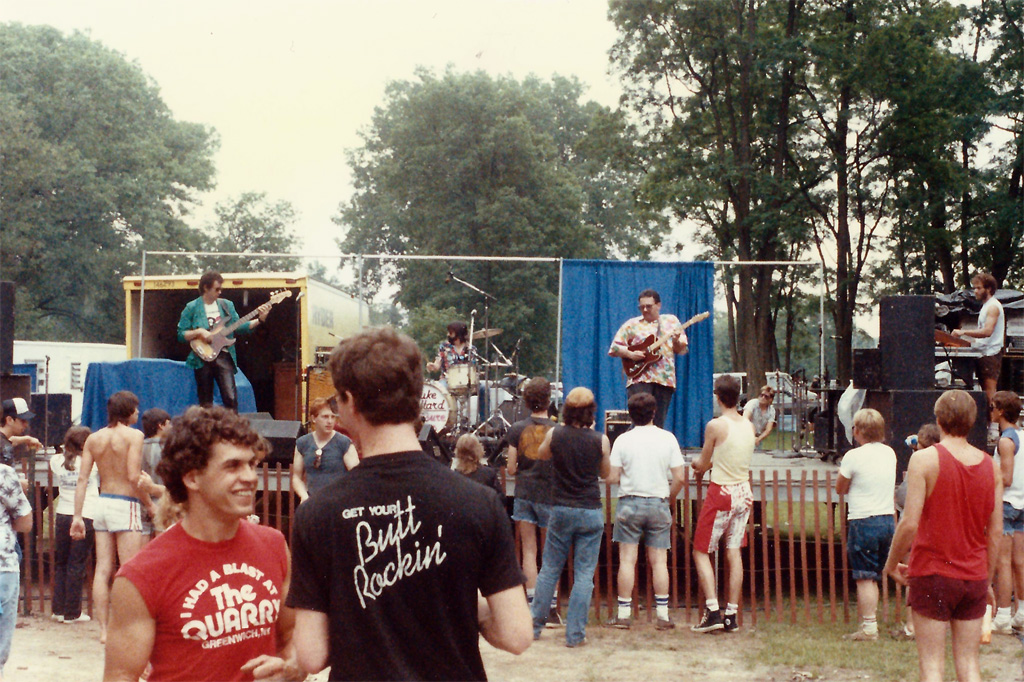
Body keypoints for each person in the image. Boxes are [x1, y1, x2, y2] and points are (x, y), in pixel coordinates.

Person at [287, 327, 531, 680]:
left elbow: (311, 656)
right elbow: (516, 635)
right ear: (415, 399)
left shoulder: (316, 513)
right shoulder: (479, 502)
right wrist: (469, 607)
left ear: (350, 402)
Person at [103, 406, 303, 682]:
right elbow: (121, 676)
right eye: (232, 466)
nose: (249, 477)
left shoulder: (274, 545)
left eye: (251, 464)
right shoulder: (142, 575)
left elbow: (291, 637)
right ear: (192, 477)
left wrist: (291, 669)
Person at [883, 389, 1002, 682]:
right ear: (973, 421)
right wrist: (985, 580)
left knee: (932, 666)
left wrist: (891, 563)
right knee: (969, 664)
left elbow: (909, 523)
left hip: (933, 573)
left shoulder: (924, 460)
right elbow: (996, 532)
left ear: (938, 420)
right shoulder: (992, 467)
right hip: (973, 575)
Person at [530, 387, 611, 648]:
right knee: (584, 574)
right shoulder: (600, 440)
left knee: (550, 569)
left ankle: (534, 627)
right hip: (589, 509)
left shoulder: (555, 434)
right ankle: (575, 635)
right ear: (591, 412)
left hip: (561, 508)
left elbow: (542, 455)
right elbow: (606, 473)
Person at [70, 390, 151, 643]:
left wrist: (77, 516)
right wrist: (149, 503)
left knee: (103, 568)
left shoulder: (94, 438)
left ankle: (104, 630)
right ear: (128, 411)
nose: (138, 412)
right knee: (130, 569)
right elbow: (132, 476)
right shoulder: (135, 435)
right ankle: (125, 625)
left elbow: (83, 479)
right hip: (125, 503)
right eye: (136, 408)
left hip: (102, 503)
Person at [605, 392, 685, 630]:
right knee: (659, 562)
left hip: (629, 502)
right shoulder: (668, 438)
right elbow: (680, 477)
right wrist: (668, 498)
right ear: (654, 412)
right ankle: (662, 615)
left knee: (627, 560)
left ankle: (623, 614)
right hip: (658, 501)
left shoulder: (622, 440)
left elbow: (612, 477)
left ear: (630, 414)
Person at [690, 374, 755, 633]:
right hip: (744, 491)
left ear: (718, 397)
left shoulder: (715, 425)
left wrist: (696, 465)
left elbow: (704, 463)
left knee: (701, 550)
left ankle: (713, 610)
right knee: (733, 551)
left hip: (722, 492)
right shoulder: (748, 425)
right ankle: (732, 613)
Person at [835, 408, 897, 641]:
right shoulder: (890, 453)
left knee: (865, 576)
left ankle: (869, 626)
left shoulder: (853, 456)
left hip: (863, 520)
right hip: (886, 519)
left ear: (858, 431)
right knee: (879, 573)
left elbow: (840, 488)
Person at [177, 270, 269, 411]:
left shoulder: (226, 305)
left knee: (230, 397)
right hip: (202, 356)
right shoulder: (192, 307)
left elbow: (238, 326)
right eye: (217, 289)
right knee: (205, 402)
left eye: (221, 289)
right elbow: (181, 334)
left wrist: (260, 320)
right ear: (206, 288)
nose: (220, 292)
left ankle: (230, 429)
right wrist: (199, 332)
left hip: (223, 355)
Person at [505, 377, 558, 620]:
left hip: (524, 492)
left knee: (529, 550)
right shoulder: (558, 430)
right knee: (551, 552)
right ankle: (551, 605)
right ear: (549, 399)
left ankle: (531, 601)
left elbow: (511, 469)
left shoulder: (516, 429)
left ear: (526, 401)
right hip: (549, 494)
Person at [608, 289, 689, 428]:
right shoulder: (631, 324)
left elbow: (681, 350)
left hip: (664, 379)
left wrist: (675, 341)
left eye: (649, 306)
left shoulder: (671, 321)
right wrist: (630, 354)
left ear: (659, 305)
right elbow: (614, 348)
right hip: (639, 378)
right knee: (639, 422)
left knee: (658, 424)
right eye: (641, 307)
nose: (645, 310)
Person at [894, 423, 942, 640]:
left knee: (912, 576)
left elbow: (903, 497)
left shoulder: (918, 464)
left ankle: (912, 626)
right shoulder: (945, 462)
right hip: (938, 529)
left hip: (916, 528)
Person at [49, 426, 99, 624]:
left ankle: (58, 609)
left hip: (62, 513)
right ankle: (72, 612)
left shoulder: (56, 461)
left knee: (61, 563)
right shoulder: (91, 463)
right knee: (76, 564)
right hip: (85, 514)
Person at [0, 408, 32, 678]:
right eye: (21, 420)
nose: (25, 425)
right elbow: (25, 521)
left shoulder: (8, 445)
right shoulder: (4, 473)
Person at [990, 391, 1024, 634]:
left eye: (992, 407)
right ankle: (1021, 612)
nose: (990, 412)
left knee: (1003, 563)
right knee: (1019, 562)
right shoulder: (1022, 435)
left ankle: (1002, 615)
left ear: (1001, 411)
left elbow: (1007, 477)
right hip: (1022, 503)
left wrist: (986, 472)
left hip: (1006, 503)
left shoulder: (1005, 440)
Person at [951, 272, 1005, 407]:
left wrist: (962, 332)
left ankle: (993, 427)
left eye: (979, 288)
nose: (975, 291)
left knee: (990, 392)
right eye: (974, 288)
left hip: (990, 354)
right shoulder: (986, 306)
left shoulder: (993, 307)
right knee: (985, 392)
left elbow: (987, 331)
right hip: (983, 352)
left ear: (989, 289)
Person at [290, 397, 358, 504]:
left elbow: (356, 475)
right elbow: (296, 477)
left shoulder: (344, 443)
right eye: (325, 417)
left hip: (338, 502)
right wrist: (304, 496)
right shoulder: (302, 443)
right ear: (313, 418)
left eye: (333, 417)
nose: (330, 421)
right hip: (313, 501)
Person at [0, 397, 41, 468]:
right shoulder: (5, 448)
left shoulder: (4, 441)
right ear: (9, 420)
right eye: (23, 420)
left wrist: (27, 439)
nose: (26, 424)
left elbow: (10, 440)